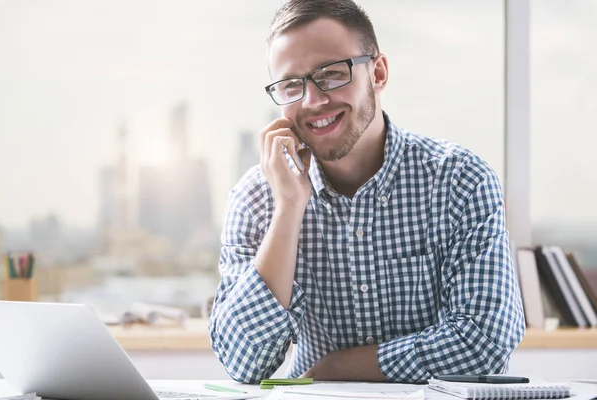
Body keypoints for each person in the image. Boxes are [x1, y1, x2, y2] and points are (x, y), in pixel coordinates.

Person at [209, 0, 525, 383]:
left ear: (377, 72)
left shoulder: (460, 181)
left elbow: (484, 345)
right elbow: (244, 363)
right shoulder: (257, 198)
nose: (312, 101)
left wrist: (339, 368)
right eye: (292, 85)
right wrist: (288, 209)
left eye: (331, 74)